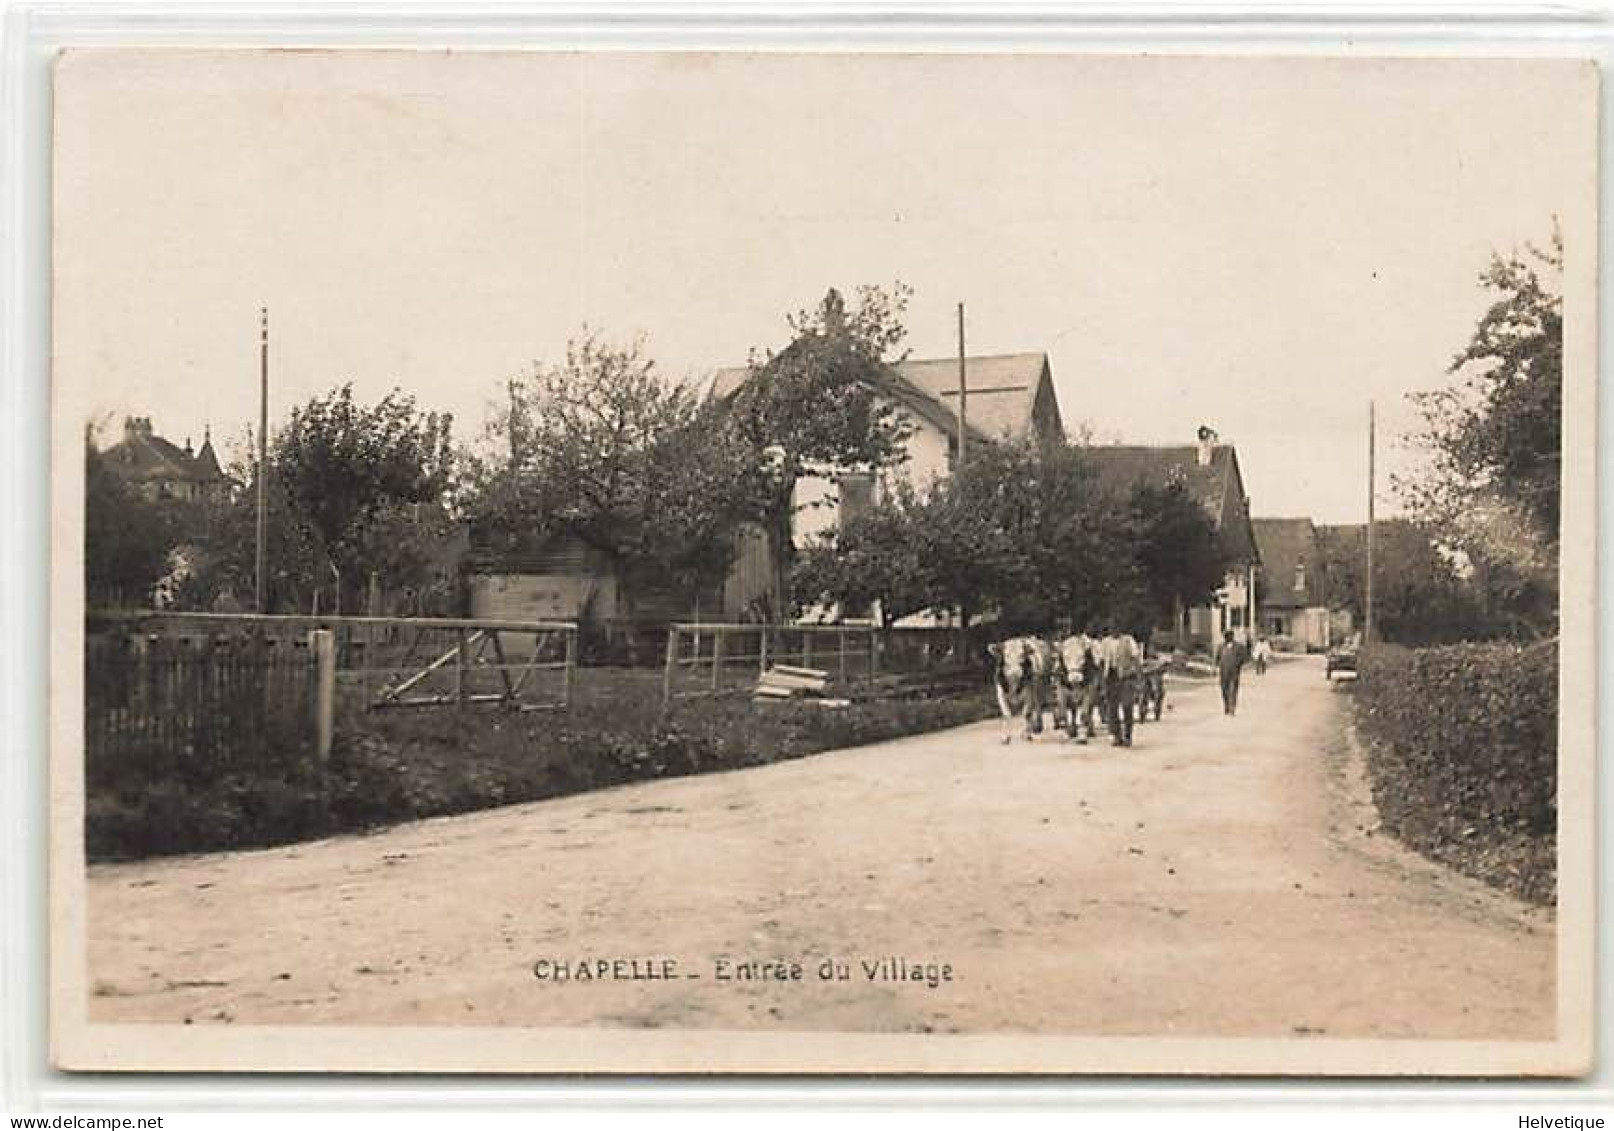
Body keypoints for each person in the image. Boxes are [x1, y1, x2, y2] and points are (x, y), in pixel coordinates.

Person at [1216, 629, 1248, 716]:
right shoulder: (1220, 647)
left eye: (1228, 636)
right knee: (1224, 690)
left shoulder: (1239, 646)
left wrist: (1238, 665)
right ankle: (1226, 705)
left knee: (1233, 690)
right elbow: (1217, 658)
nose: (1226, 638)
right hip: (1223, 672)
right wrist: (1216, 668)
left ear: (1232, 636)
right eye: (1225, 636)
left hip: (1234, 672)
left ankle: (1232, 708)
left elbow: (1244, 658)